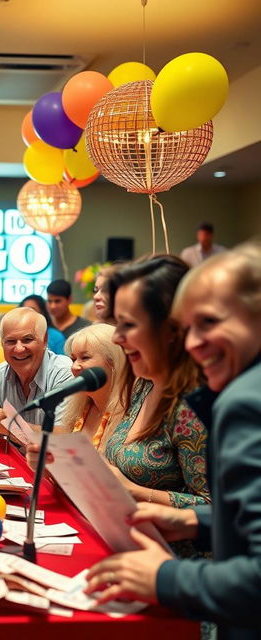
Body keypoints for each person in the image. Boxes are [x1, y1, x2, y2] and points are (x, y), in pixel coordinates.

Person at [85, 241, 261, 640]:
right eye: (189, 327)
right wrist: (195, 521)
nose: (193, 342)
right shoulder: (146, 387)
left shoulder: (243, 401)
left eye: (210, 323)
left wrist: (167, 578)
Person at [103, 255, 209, 509]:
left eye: (128, 325)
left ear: (172, 328)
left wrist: (133, 491)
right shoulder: (144, 384)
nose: (116, 337)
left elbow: (214, 509)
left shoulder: (194, 404)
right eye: (116, 324)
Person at [0, 307, 73, 436]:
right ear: (1, 343)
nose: (19, 349)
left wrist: (11, 426)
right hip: (11, 455)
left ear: (44, 340)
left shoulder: (63, 372)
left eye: (27, 340)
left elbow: (64, 437)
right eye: (10, 341)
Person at [59, 323, 126, 451]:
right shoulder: (78, 407)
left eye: (85, 358)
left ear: (113, 362)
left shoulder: (132, 414)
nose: (74, 367)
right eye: (73, 359)